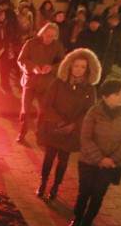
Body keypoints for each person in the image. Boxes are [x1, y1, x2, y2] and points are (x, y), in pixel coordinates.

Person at [68, 80, 121, 226]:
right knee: (84, 191)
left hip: (112, 164)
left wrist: (113, 159)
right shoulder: (94, 112)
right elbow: (86, 137)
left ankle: (86, 224)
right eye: (117, 94)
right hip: (88, 161)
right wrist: (100, 158)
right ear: (105, 97)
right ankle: (77, 219)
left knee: (98, 194)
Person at [35, 48, 100, 201]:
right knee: (49, 157)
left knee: (63, 160)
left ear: (88, 68)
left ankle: (56, 185)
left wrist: (73, 125)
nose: (79, 70)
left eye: (83, 67)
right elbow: (47, 104)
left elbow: (89, 111)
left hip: (72, 131)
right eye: (76, 65)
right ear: (70, 66)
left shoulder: (90, 89)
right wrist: (60, 122)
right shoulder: (59, 82)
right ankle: (43, 182)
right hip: (54, 127)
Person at [16, 23, 65, 143]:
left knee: (43, 110)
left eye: (52, 37)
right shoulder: (31, 43)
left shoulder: (57, 46)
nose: (49, 39)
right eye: (48, 36)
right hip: (30, 81)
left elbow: (63, 63)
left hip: (46, 83)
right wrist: (33, 67)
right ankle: (22, 133)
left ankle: (39, 133)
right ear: (42, 33)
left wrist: (52, 68)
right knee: (25, 109)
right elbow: (21, 60)